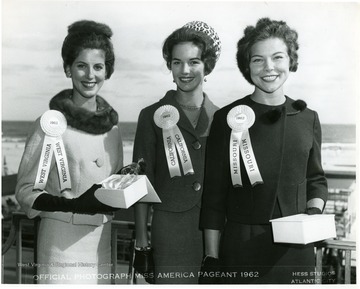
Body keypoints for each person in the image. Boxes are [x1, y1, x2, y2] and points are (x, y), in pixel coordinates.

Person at [199, 18, 328, 284]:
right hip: (241, 250)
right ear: (247, 67)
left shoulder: (308, 118)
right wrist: (211, 258)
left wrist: (314, 212)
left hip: (296, 251)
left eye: (277, 57)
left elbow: (316, 180)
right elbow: (213, 196)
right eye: (258, 60)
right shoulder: (227, 118)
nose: (269, 67)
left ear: (290, 60)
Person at [15, 20, 123, 284]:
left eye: (98, 67)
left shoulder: (114, 130)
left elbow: (113, 186)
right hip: (60, 245)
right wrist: (70, 205)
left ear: (107, 71)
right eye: (81, 65)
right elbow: (26, 190)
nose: (90, 75)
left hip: (101, 247)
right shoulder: (50, 124)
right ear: (68, 69)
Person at [131, 21, 221, 284]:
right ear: (169, 68)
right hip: (170, 232)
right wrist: (142, 243)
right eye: (176, 62)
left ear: (207, 67)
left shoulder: (223, 118)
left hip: (216, 232)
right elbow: (141, 183)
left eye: (194, 62)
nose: (185, 70)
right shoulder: (150, 116)